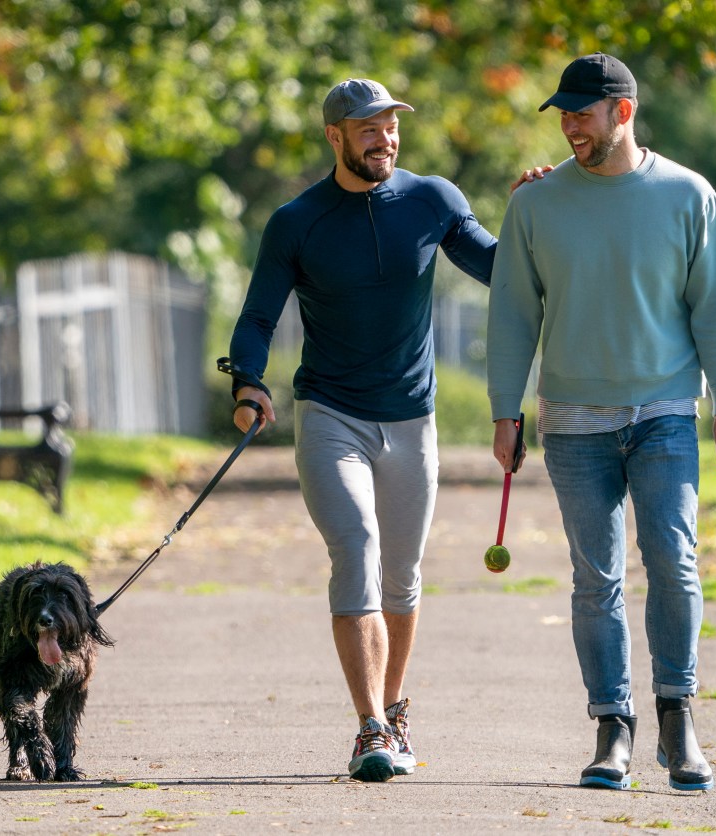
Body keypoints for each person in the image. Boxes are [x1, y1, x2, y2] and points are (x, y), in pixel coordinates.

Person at [221, 78, 515, 782]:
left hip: (412, 418)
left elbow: (500, 266)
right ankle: (370, 728)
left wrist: (540, 207)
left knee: (403, 576)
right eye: (367, 128)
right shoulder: (299, 221)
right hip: (331, 414)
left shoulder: (431, 200)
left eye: (390, 126)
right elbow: (259, 315)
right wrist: (248, 382)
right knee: (356, 550)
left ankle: (394, 709)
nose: (383, 138)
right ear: (335, 137)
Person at [486, 53, 716, 792]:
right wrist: (506, 411)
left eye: (582, 112)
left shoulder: (688, 195)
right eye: (562, 114)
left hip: (665, 411)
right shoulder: (534, 205)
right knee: (595, 578)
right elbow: (511, 315)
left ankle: (678, 719)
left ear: (622, 113)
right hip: (572, 422)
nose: (570, 125)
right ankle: (613, 729)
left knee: (674, 560)